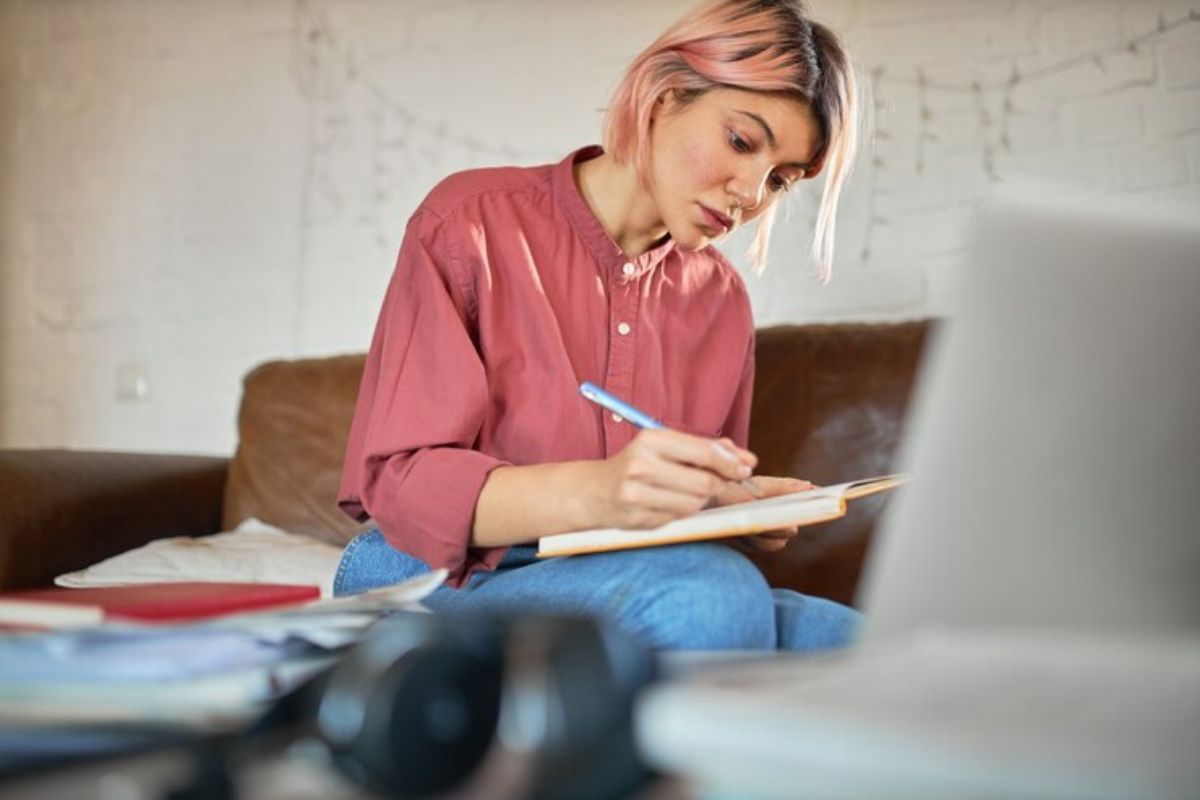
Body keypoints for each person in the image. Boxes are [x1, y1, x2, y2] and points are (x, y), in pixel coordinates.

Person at [335, 0, 862, 651]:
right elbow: (401, 485)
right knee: (711, 597)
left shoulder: (721, 300)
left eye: (781, 179)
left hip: (620, 572)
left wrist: (727, 506)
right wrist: (603, 490)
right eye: (741, 142)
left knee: (866, 643)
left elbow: (668, 536)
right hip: (438, 569)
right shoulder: (470, 221)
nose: (752, 193)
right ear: (665, 97)